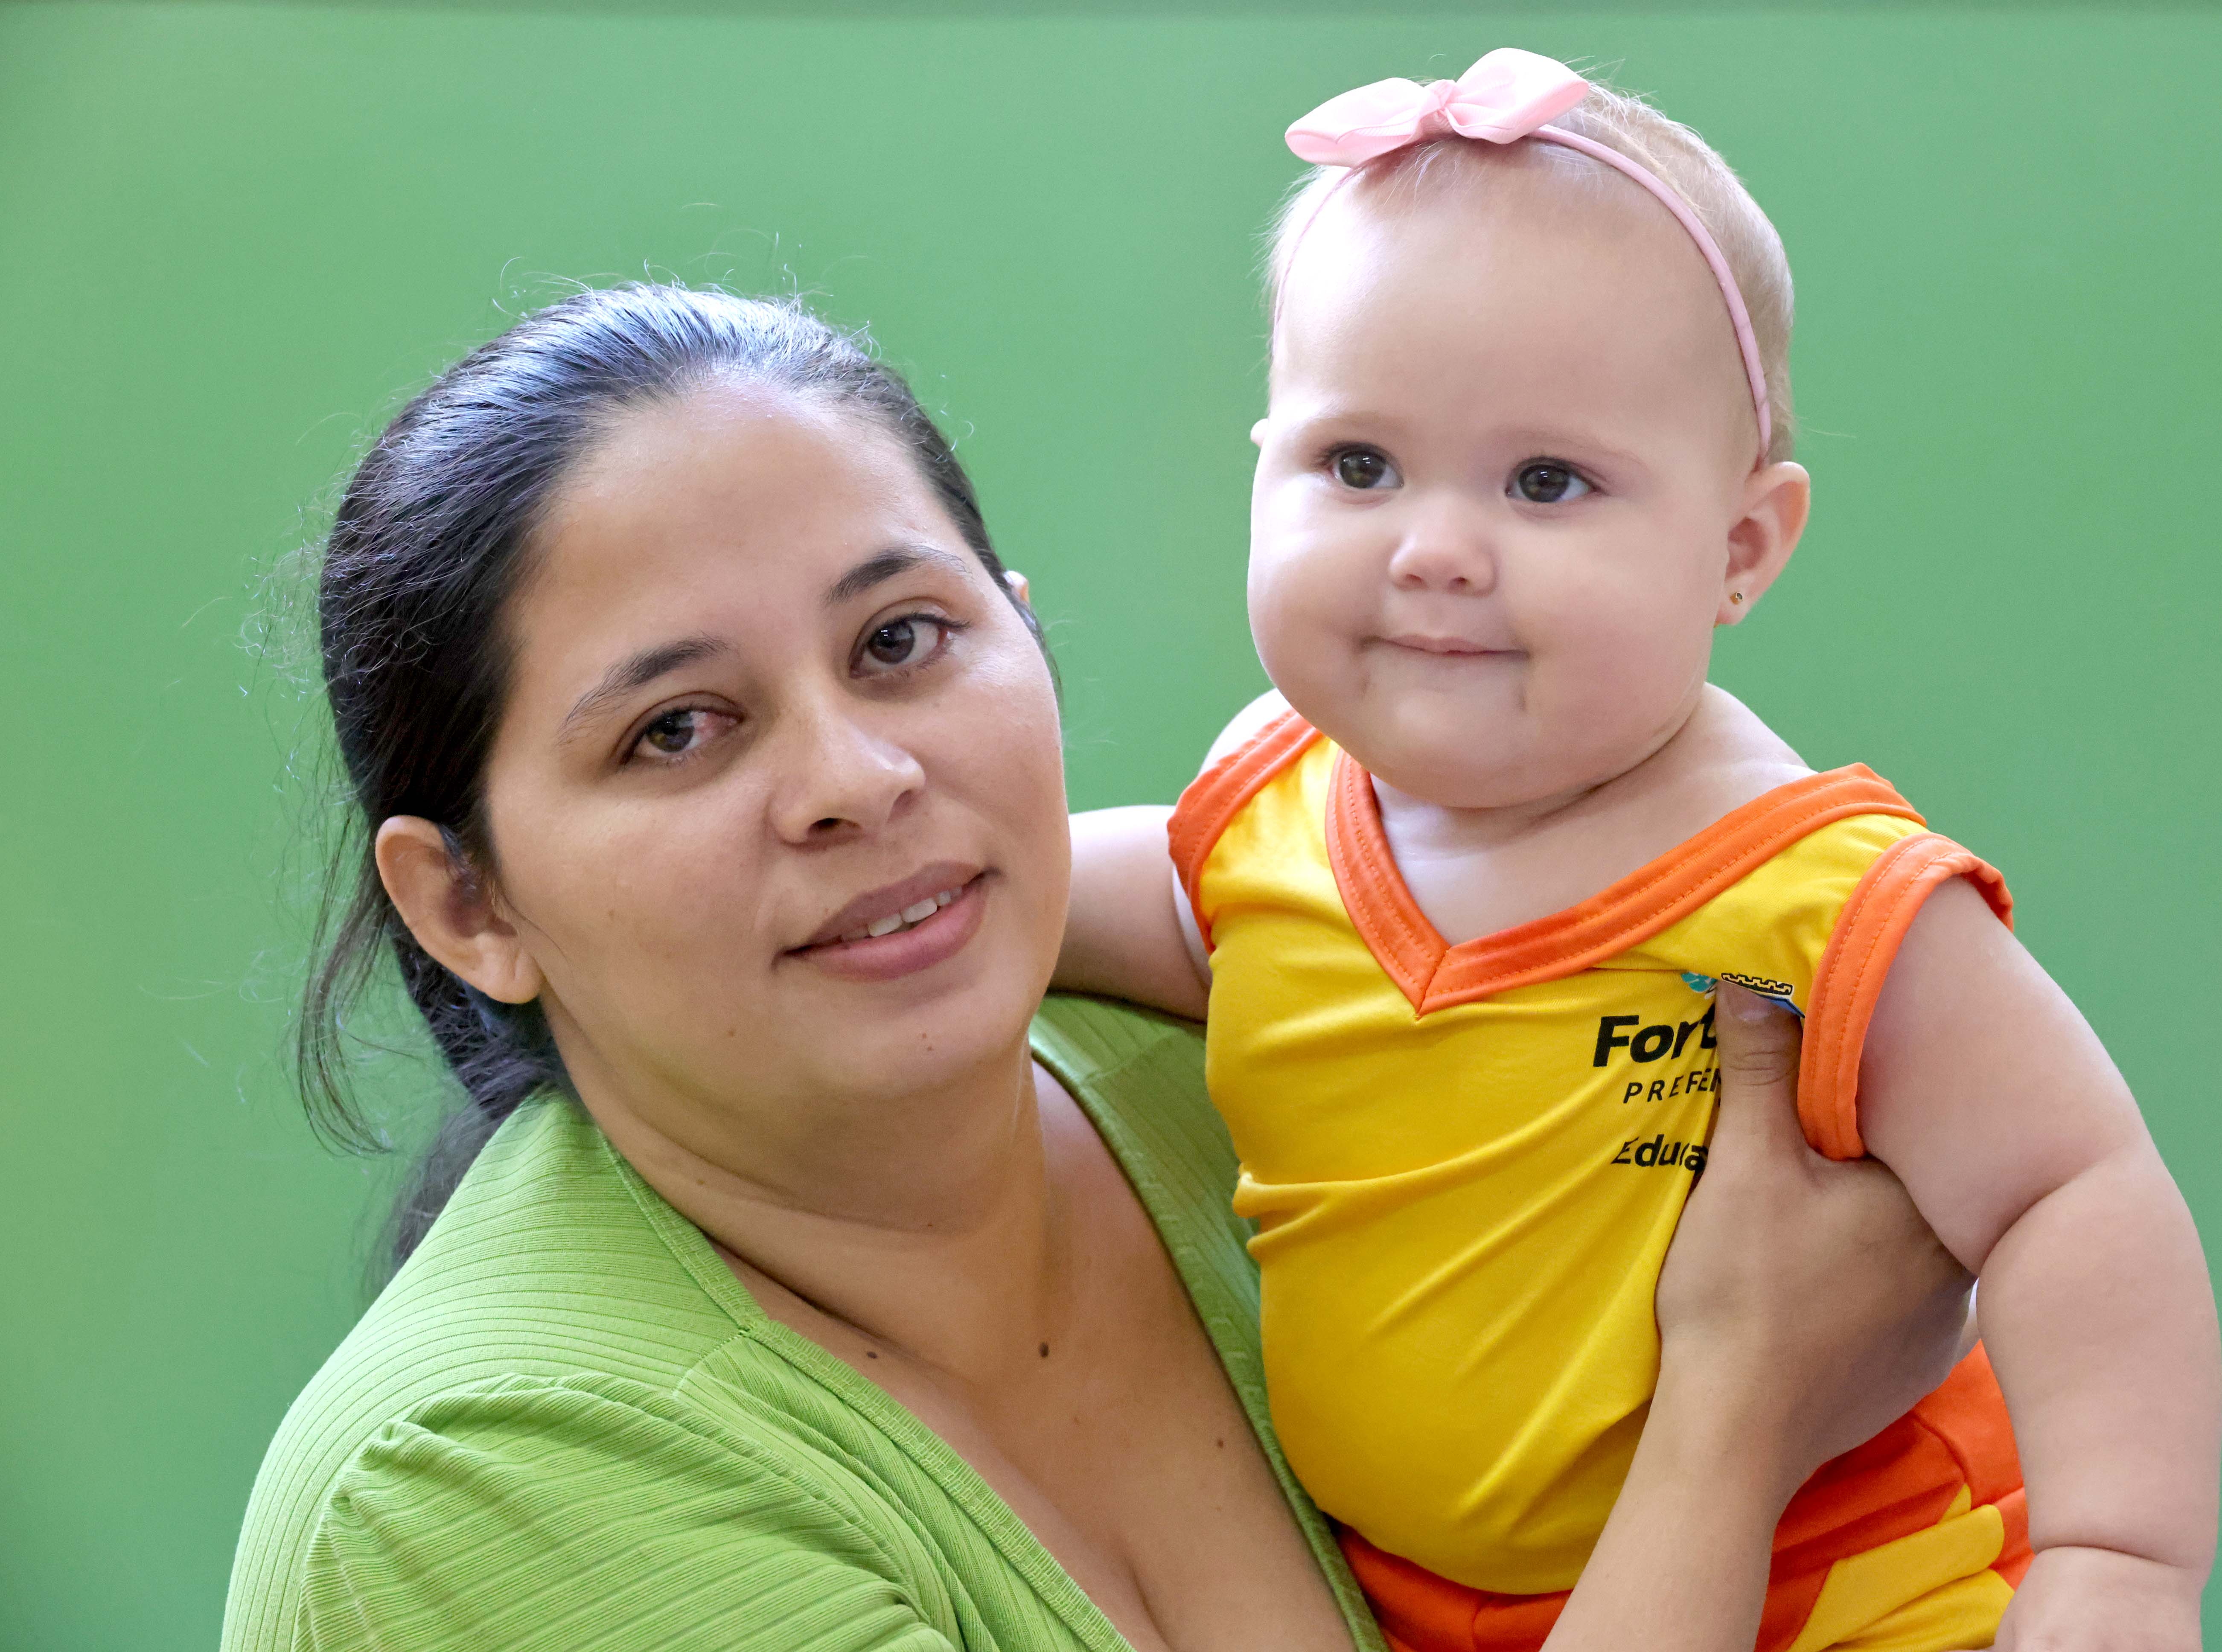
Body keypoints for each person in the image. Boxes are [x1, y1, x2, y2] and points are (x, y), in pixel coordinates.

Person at [225, 284, 1981, 1652]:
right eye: (680, 729)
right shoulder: (480, 1483)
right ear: (469, 908)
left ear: (1023, 627)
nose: (858, 777)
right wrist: (1732, 1418)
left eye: (905, 640)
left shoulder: (1253, 1082)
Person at [1059, 48, 2222, 1652]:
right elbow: (1166, 925)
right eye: (1358, 465)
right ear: (1260, 467)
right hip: (1421, 1603)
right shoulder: (1271, 803)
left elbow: (2071, 1189)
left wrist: (2118, 1558)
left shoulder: (1811, 895)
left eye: (1547, 483)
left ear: (1738, 548)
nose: (1435, 550)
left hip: (1848, 1593)